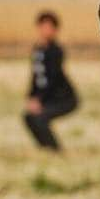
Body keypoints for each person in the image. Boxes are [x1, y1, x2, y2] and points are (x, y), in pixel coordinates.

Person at [23, 11, 78, 151]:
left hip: (63, 98)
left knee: (40, 117)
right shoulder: (38, 50)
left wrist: (39, 100)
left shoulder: (56, 51)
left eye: (49, 27)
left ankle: (55, 150)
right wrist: (30, 97)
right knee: (28, 117)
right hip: (46, 96)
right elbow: (36, 76)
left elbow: (52, 78)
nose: (45, 30)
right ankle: (44, 147)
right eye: (43, 26)